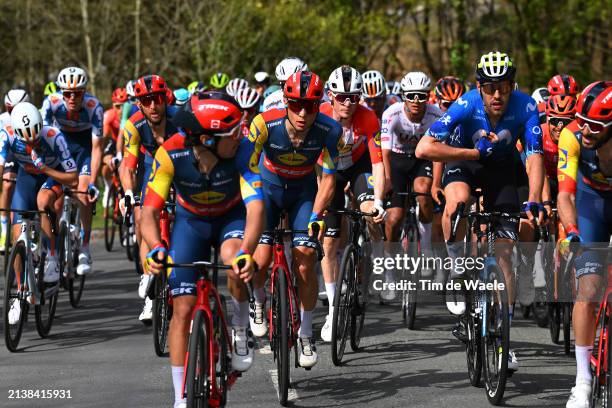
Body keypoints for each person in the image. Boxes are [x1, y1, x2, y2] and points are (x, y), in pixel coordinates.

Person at [416, 51, 545, 372]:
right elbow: (424, 148)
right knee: (457, 201)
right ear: (479, 87)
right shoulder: (466, 105)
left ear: (513, 85)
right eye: (489, 88)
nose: (497, 95)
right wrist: (473, 152)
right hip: (467, 161)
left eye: (503, 86)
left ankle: (504, 340)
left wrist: (533, 198)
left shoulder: (527, 106)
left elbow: (534, 156)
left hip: (502, 170)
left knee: (505, 254)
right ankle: (457, 267)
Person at [142, 92, 255, 408]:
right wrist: (155, 248)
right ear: (207, 139)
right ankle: (180, 396)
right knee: (183, 308)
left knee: (234, 260)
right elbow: (149, 212)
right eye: (231, 132)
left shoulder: (243, 150)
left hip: (231, 218)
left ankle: (241, 329)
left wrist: (247, 249)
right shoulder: (170, 154)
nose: (239, 135)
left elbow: (257, 208)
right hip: (190, 224)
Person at [237, 71, 341, 367]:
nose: (304, 113)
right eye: (296, 104)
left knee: (306, 259)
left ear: (320, 103)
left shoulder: (330, 130)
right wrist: (251, 206)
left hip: (303, 194)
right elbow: (247, 169)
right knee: (262, 256)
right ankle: (259, 300)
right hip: (267, 190)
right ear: (286, 100)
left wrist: (317, 216)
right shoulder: (263, 124)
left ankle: (306, 333)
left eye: (311, 105)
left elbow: (330, 180)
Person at [318, 65, 386, 341]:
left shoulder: (368, 119)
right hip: (327, 171)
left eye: (354, 97)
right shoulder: (319, 116)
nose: (348, 103)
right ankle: (334, 308)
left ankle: (373, 254)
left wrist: (378, 201)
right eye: (342, 96)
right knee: (329, 241)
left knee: (370, 211)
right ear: (330, 95)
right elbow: (315, 167)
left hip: (359, 168)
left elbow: (378, 164)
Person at [558, 81, 611, 408]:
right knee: (588, 288)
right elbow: (565, 193)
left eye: (596, 126)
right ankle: (582, 381)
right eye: (583, 121)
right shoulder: (572, 135)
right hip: (590, 202)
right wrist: (572, 230)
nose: (586, 130)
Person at [119, 74, 177, 324]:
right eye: (146, 101)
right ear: (139, 104)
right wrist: (129, 193)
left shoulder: (180, 120)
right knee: (144, 217)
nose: (153, 106)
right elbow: (128, 165)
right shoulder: (133, 125)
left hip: (179, 162)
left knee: (183, 217)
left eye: (157, 99)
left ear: (165, 100)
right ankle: (150, 293)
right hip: (151, 165)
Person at [0, 102, 77, 290]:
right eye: (27, 141)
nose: (32, 143)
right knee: (18, 237)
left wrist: (45, 168)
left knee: (43, 202)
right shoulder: (7, 134)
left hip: (51, 175)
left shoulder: (53, 136)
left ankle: (51, 257)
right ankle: (20, 290)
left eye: (35, 138)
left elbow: (73, 179)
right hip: (26, 179)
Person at [380, 71, 442, 300]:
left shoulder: (436, 115)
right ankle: (389, 273)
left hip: (422, 159)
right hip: (396, 161)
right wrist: (386, 179)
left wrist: (437, 183)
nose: (416, 101)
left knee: (424, 194)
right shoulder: (391, 113)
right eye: (411, 95)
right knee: (394, 219)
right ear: (403, 96)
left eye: (422, 96)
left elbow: (438, 155)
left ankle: (425, 248)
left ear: (428, 96)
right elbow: (384, 152)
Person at [41, 66, 103, 276]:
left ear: (85, 91)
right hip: (61, 149)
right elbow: (44, 139)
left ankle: (85, 247)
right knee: (55, 201)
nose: (72, 97)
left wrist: (93, 181)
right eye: (67, 93)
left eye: (77, 92)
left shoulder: (94, 107)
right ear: (61, 92)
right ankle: (53, 251)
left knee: (84, 194)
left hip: (84, 149)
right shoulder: (51, 103)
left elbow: (96, 148)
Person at [0, 89, 30, 248]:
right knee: (8, 184)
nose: (13, 114)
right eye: (10, 109)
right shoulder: (2, 120)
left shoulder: (34, 115)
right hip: (11, 153)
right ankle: (4, 227)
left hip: (30, 153)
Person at [101, 87, 127, 207]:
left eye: (123, 106)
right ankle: (108, 186)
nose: (121, 110)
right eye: (117, 106)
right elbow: (104, 138)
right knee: (106, 167)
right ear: (113, 106)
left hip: (129, 143)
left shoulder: (132, 113)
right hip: (115, 141)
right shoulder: (109, 115)